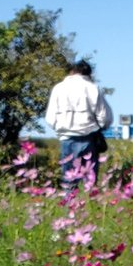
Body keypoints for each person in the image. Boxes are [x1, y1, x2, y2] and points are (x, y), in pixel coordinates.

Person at [45, 60, 113, 189]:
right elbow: (105, 117)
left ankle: (70, 205)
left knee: (70, 181)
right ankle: (89, 206)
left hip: (67, 138)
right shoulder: (93, 88)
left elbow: (50, 117)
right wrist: (101, 127)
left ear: (72, 71)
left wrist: (61, 128)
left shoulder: (59, 88)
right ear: (88, 74)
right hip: (89, 138)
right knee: (90, 182)